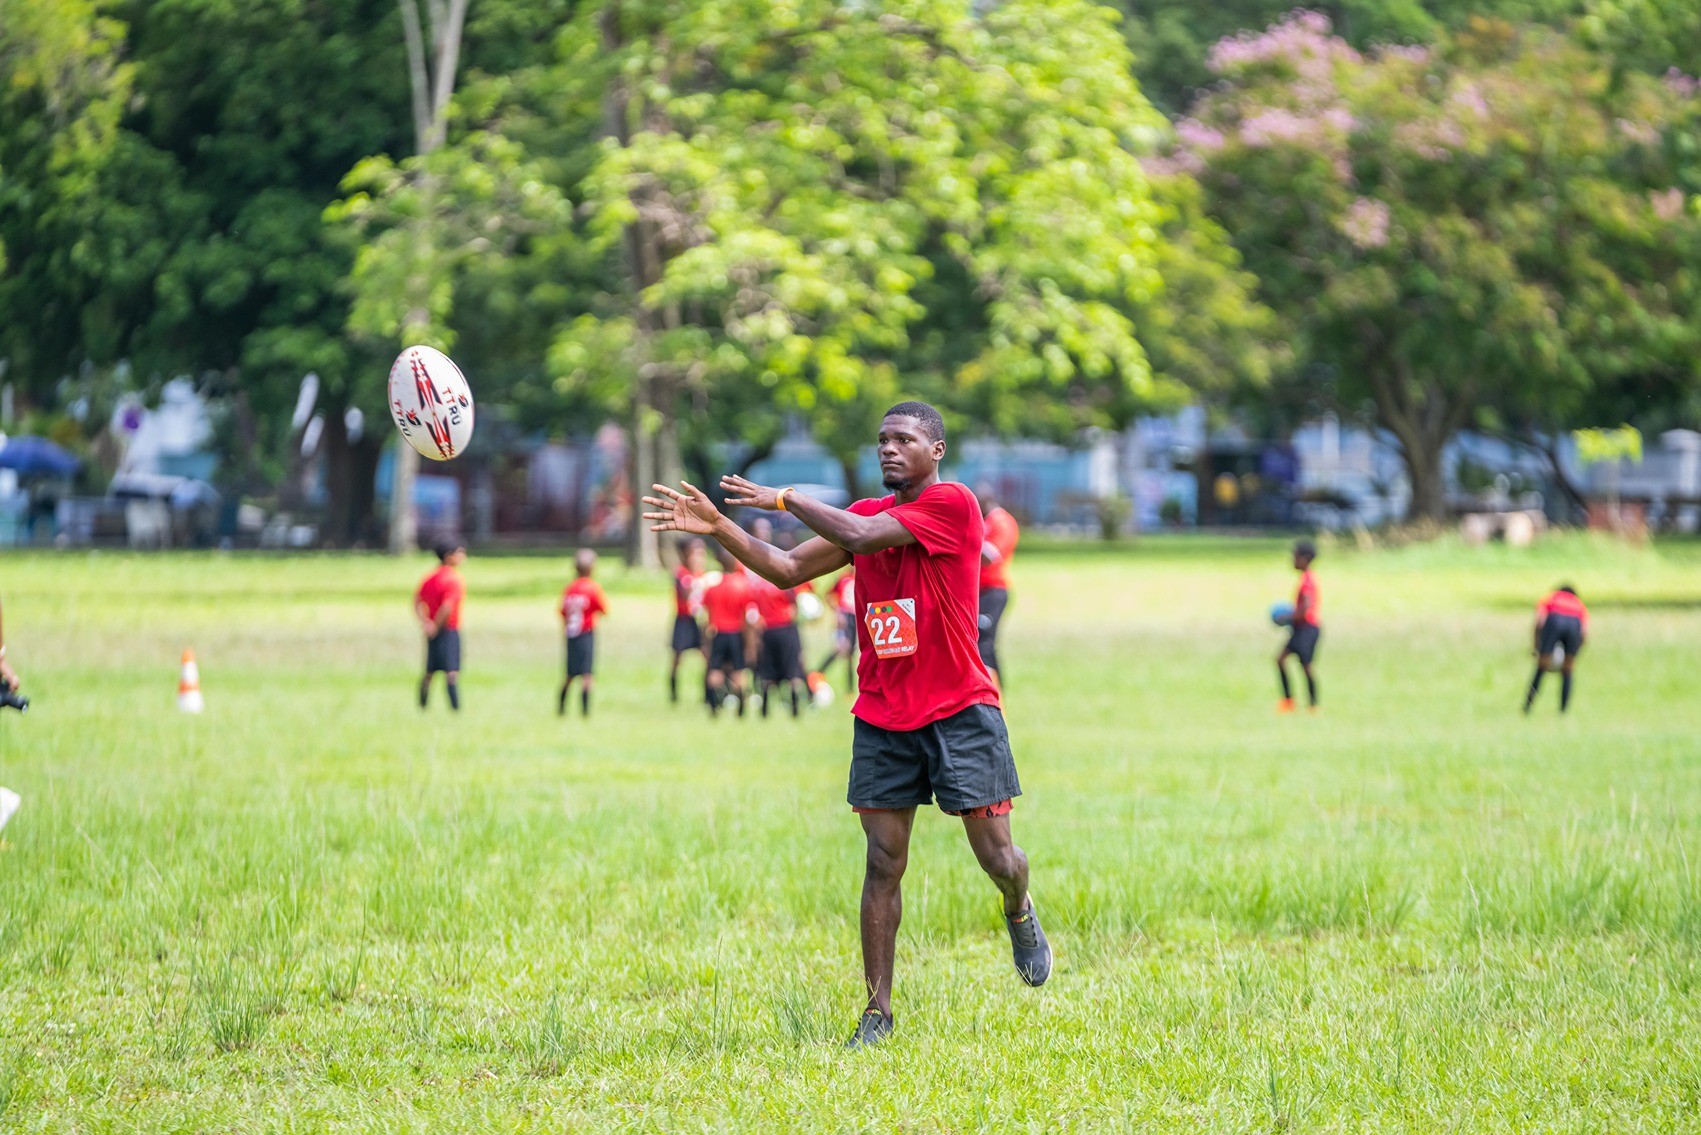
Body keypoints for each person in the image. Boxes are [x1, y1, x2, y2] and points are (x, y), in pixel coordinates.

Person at [643, 400, 1050, 1050]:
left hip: (960, 709)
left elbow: (862, 538)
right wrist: (720, 525)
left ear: (936, 451)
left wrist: (783, 497)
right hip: (883, 713)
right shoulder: (863, 513)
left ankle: (1017, 906)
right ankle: (877, 1011)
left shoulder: (953, 505)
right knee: (882, 861)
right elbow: (785, 569)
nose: (888, 448)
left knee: (998, 858)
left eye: (904, 439)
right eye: (882, 439)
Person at [700, 545, 756, 717]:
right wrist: (750, 644)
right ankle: (741, 709)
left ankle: (713, 707)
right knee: (739, 671)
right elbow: (748, 618)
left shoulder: (712, 589)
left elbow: (705, 618)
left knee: (714, 670)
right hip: (735, 634)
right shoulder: (743, 587)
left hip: (718, 634)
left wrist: (705, 642)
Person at [415, 540, 466, 711]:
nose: (463, 556)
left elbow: (417, 601)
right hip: (449, 629)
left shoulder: (429, 578)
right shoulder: (453, 579)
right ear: (448, 556)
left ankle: (422, 706)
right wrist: (436, 625)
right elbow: (447, 606)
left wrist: (426, 623)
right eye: (459, 553)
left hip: (432, 631)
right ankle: (455, 710)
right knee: (451, 672)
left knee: (429, 671)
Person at [751, 573, 812, 718]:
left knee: (767, 673)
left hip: (767, 631)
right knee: (793, 671)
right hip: (786, 629)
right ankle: (795, 711)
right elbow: (794, 605)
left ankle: (764, 712)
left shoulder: (759, 586)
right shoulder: (785, 582)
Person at [976, 487, 1020, 685]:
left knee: (984, 641)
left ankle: (994, 692)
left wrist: (965, 538)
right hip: (979, 591)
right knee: (981, 642)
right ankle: (991, 691)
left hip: (993, 590)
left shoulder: (1002, 521)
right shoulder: (987, 521)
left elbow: (990, 556)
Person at [559, 549, 609, 717]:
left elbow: (563, 612)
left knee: (569, 674)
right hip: (587, 634)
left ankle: (561, 708)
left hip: (571, 635)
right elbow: (603, 609)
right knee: (587, 675)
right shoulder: (592, 588)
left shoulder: (569, 589)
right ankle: (585, 712)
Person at [1525, 584, 1589, 714]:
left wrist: (1537, 647)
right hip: (1574, 622)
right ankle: (1563, 711)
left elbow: (1540, 620)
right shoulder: (1579, 604)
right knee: (1568, 670)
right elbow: (1584, 633)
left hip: (1555, 619)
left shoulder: (1550, 597)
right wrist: (1574, 654)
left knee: (1541, 666)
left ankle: (1528, 706)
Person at [1276, 538, 1320, 713]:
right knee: (1280, 660)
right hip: (1299, 628)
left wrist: (1288, 616)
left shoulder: (1308, 580)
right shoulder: (1305, 578)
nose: (1293, 560)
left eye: (1295, 557)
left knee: (1306, 667)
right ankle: (1288, 701)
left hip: (1307, 628)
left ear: (1305, 559)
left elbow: (1306, 606)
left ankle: (1313, 705)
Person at [669, 539, 709, 704]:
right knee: (677, 658)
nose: (699, 559)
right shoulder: (682, 574)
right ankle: (673, 693)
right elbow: (686, 596)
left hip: (699, 622)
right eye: (696, 554)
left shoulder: (702, 575)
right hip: (684, 621)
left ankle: (707, 694)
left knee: (707, 656)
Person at [812, 568, 858, 694]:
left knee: (850, 654)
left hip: (856, 618)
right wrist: (838, 612)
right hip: (845, 617)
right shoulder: (843, 579)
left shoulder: (863, 577)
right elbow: (829, 595)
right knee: (842, 648)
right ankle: (818, 672)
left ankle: (850, 689)